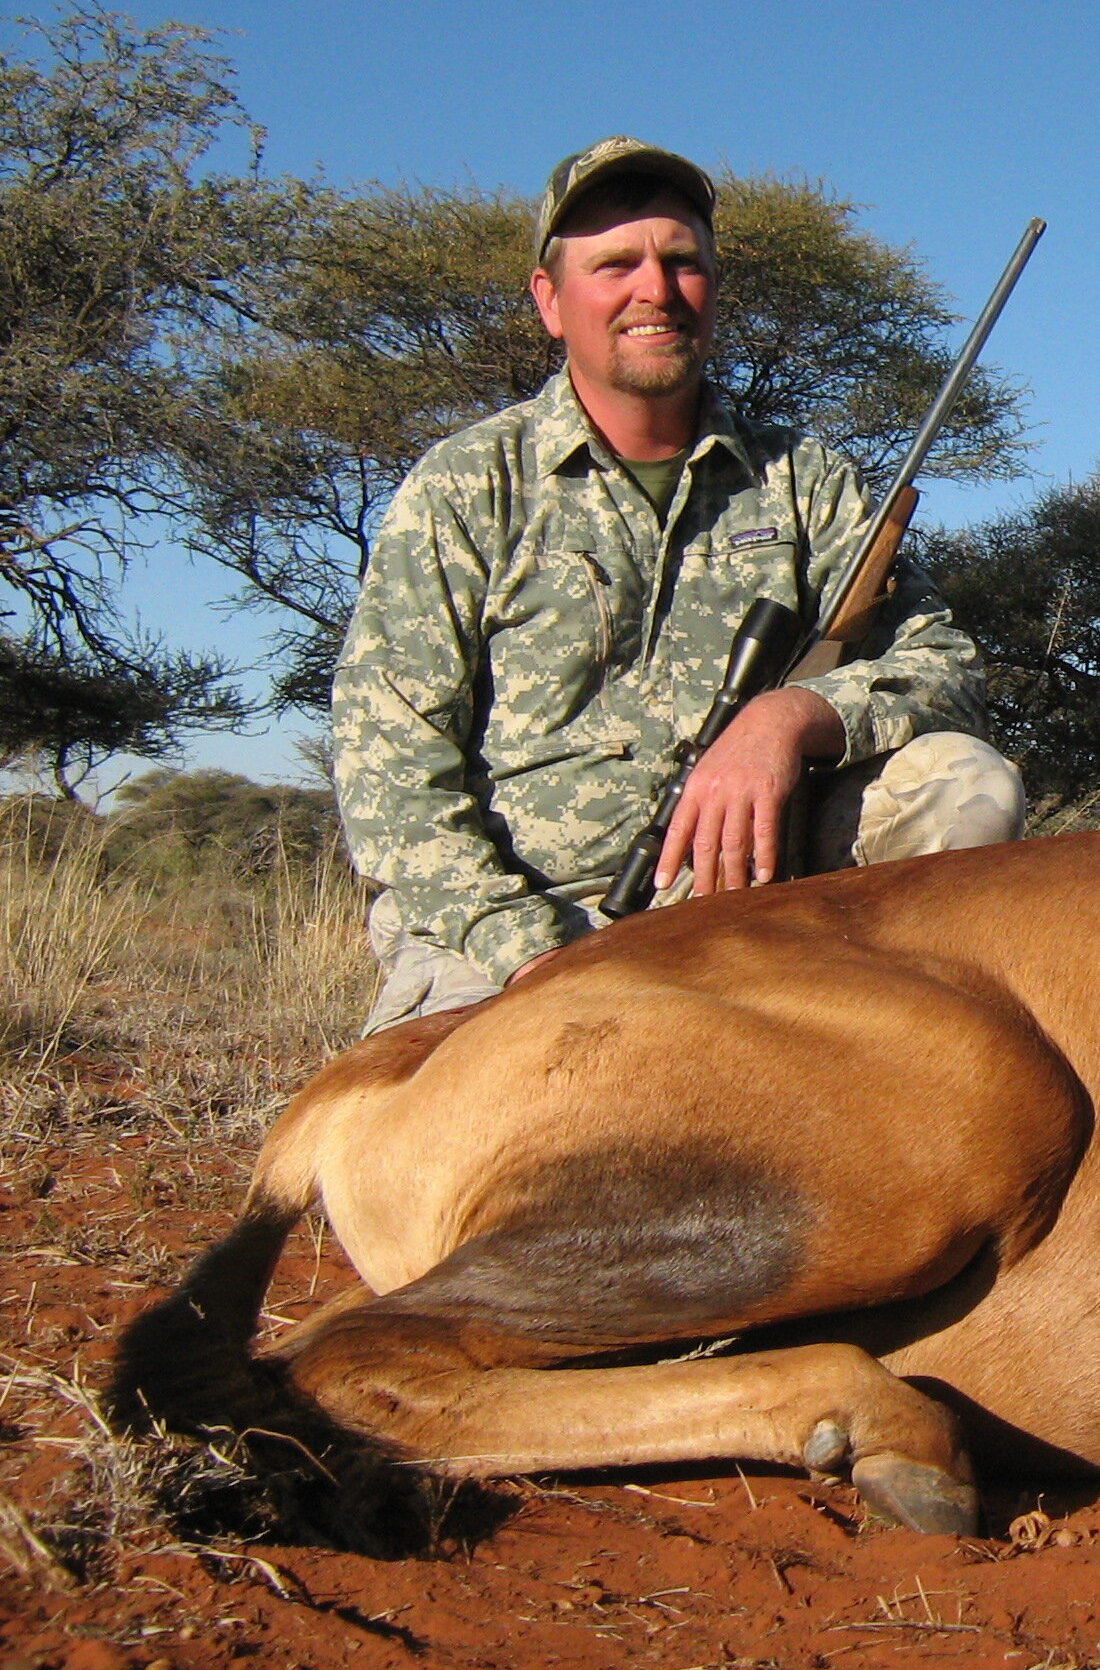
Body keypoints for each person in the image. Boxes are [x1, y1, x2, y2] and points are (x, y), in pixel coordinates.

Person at [332, 137, 1023, 1034]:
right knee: (437, 1152)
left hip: (758, 895)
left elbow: (948, 670)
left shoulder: (808, 481)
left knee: (959, 781)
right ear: (551, 300)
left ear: (713, 288)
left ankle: (900, 1045)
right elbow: (389, 773)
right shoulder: (464, 485)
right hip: (518, 930)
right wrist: (533, 956)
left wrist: (788, 719)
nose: (654, 290)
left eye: (681, 261)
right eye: (615, 263)